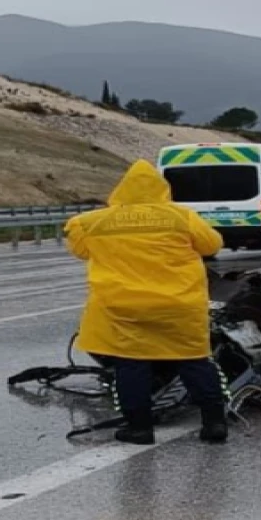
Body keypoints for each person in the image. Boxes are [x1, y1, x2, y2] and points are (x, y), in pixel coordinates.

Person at [63, 160, 229, 445]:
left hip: (123, 308)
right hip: (178, 306)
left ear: (121, 190)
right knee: (194, 362)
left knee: (131, 366)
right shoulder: (182, 217)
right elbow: (211, 245)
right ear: (162, 189)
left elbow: (79, 250)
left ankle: (139, 428)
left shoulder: (91, 222)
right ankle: (214, 423)